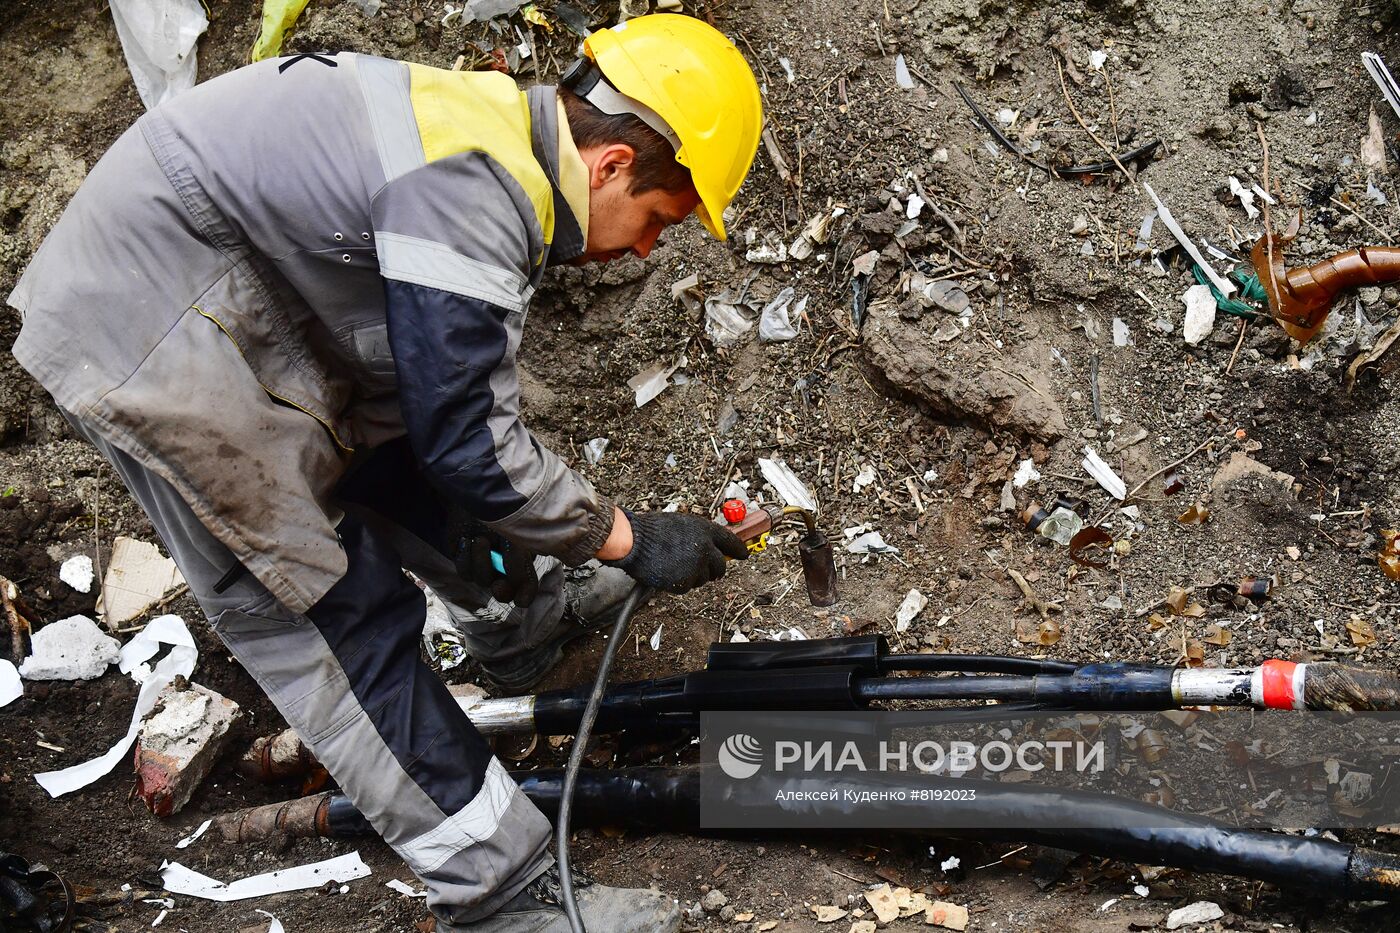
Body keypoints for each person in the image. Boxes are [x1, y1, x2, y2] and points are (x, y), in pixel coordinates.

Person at [7, 14, 762, 932]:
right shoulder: (476, 190)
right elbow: (476, 451)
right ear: (607, 168)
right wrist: (631, 538)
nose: (645, 249)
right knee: (335, 614)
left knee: (409, 452)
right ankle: (505, 894)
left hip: (235, 292)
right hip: (155, 326)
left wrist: (589, 530)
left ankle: (514, 628)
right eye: (659, 220)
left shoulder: (486, 137)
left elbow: (449, 423)